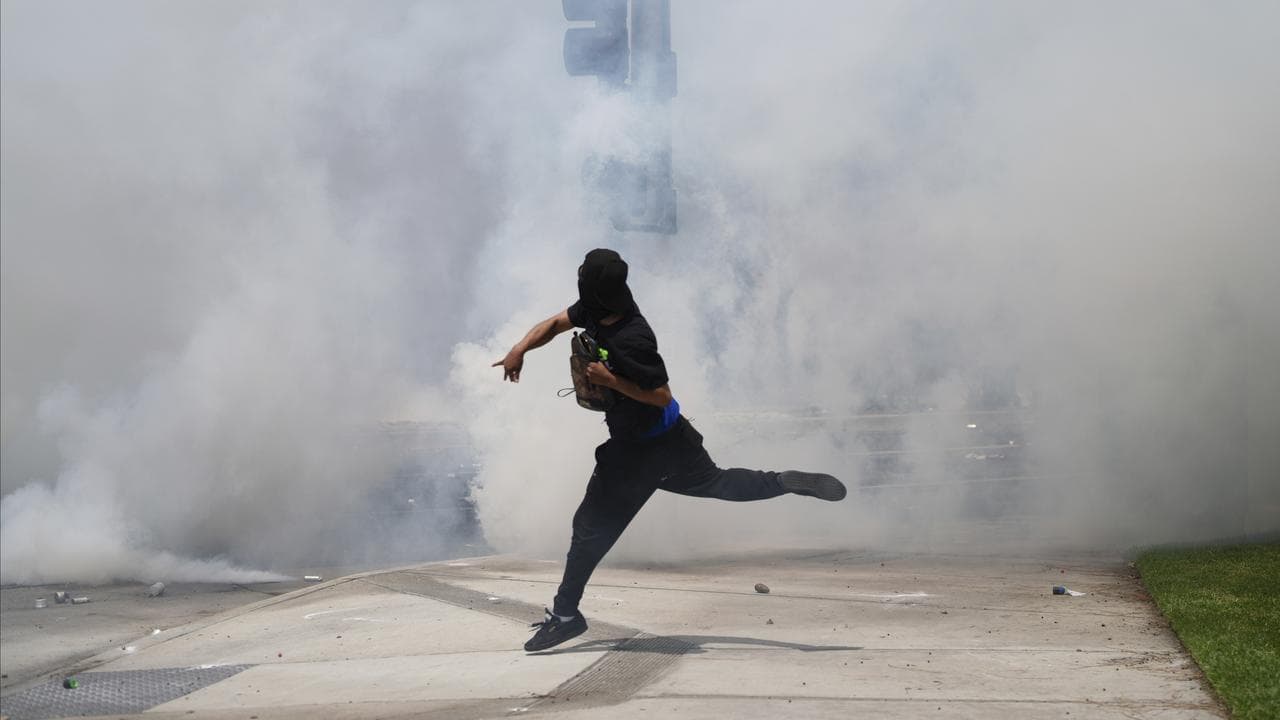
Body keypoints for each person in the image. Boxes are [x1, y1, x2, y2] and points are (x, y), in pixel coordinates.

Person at [493, 248, 846, 652]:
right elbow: (555, 323)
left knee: (588, 531)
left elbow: (660, 394)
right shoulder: (598, 307)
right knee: (718, 482)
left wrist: (609, 379)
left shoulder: (634, 338)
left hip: (635, 454)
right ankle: (783, 482)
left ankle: (566, 616)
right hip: (673, 440)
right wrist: (520, 348)